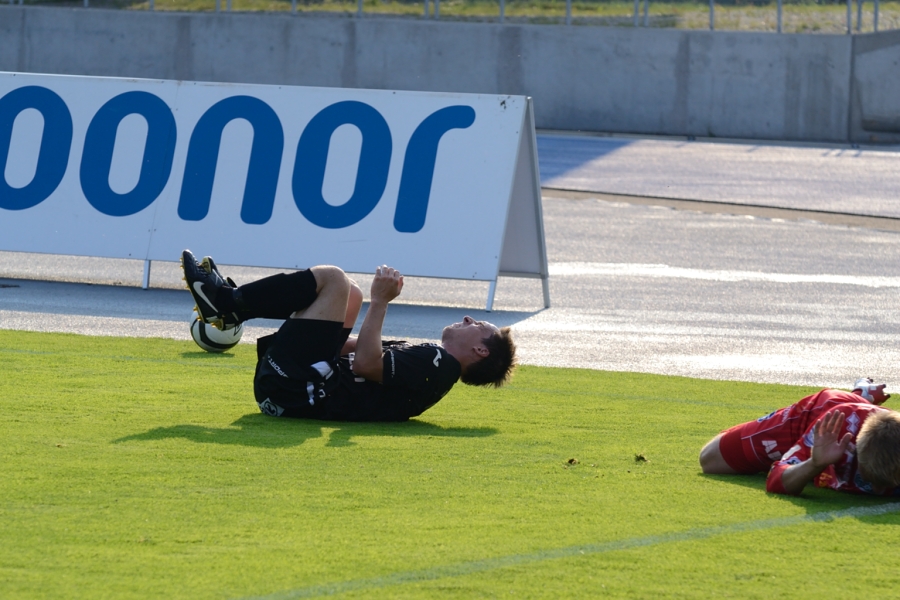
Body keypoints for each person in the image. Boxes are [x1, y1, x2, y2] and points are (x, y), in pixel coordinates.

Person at [180, 250, 516, 422]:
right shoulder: (433, 363)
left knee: (335, 280)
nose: (469, 318)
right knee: (349, 294)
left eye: (479, 326)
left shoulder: (440, 364)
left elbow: (366, 365)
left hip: (297, 392)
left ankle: (226, 304)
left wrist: (381, 301)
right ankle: (230, 308)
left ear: (480, 351)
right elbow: (346, 349)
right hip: (296, 390)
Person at [699, 380, 900, 496]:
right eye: (869, 479)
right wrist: (814, 463)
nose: (876, 491)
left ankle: (862, 398)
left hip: (874, 420)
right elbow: (775, 480)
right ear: (856, 450)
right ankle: (860, 395)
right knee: (711, 460)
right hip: (817, 413)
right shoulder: (830, 426)